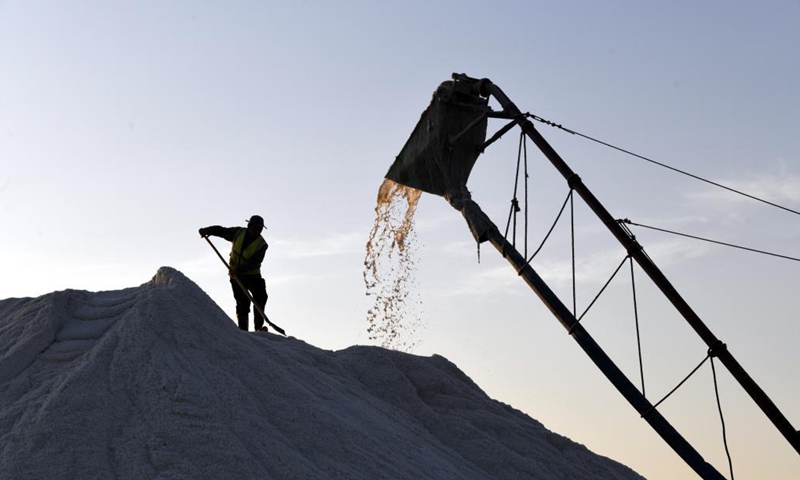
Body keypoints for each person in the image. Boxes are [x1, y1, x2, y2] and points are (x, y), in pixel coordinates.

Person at [199, 215, 269, 332]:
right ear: (249, 226)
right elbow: (222, 231)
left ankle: (259, 327)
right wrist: (208, 230)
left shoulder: (262, 245)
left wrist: (238, 269)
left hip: (253, 276)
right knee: (242, 302)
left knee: (261, 297)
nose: (257, 230)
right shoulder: (238, 233)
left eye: (260, 228)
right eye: (255, 227)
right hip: (237, 276)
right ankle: (243, 330)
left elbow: (254, 262)